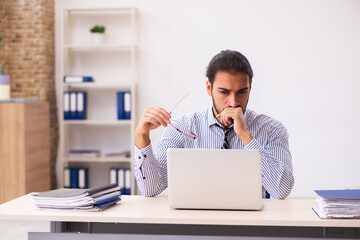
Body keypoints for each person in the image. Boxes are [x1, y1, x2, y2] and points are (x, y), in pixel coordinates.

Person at [134, 50, 294, 199]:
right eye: (224, 92)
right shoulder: (183, 128)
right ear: (209, 88)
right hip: (195, 223)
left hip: (250, 224)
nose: (233, 102)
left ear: (250, 87)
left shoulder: (272, 130)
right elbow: (151, 189)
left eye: (242, 92)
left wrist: (246, 136)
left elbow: (281, 190)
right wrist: (142, 135)